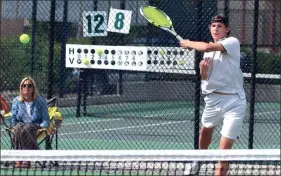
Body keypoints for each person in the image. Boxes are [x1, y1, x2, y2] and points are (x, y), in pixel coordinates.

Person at [179, 14, 246, 176]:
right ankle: (200, 159)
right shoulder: (207, 53)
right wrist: (204, 71)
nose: (215, 29)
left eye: (220, 26)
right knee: (204, 134)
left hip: (234, 103)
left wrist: (188, 43)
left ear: (227, 29)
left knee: (224, 151)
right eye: (213, 26)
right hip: (213, 101)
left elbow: (206, 47)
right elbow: (205, 77)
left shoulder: (232, 42)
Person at [10, 77, 50, 168]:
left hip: (35, 125)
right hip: (20, 127)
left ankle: (25, 158)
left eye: (29, 85)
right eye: (24, 85)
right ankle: (22, 156)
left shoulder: (40, 101)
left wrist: (42, 127)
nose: (26, 87)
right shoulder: (16, 101)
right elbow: (13, 117)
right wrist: (12, 126)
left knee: (27, 127)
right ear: (21, 88)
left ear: (33, 88)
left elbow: (46, 119)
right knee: (19, 127)